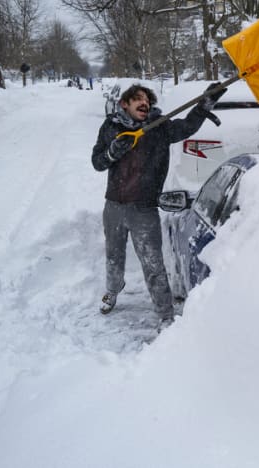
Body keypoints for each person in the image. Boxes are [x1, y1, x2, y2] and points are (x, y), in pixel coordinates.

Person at [91, 82, 226, 326]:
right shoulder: (111, 126)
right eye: (138, 99)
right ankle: (113, 290)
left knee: (153, 263)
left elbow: (186, 127)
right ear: (125, 104)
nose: (144, 103)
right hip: (113, 206)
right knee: (114, 255)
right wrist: (112, 152)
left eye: (148, 100)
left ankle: (164, 312)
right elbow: (97, 162)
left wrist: (206, 103)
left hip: (144, 208)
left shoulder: (159, 127)